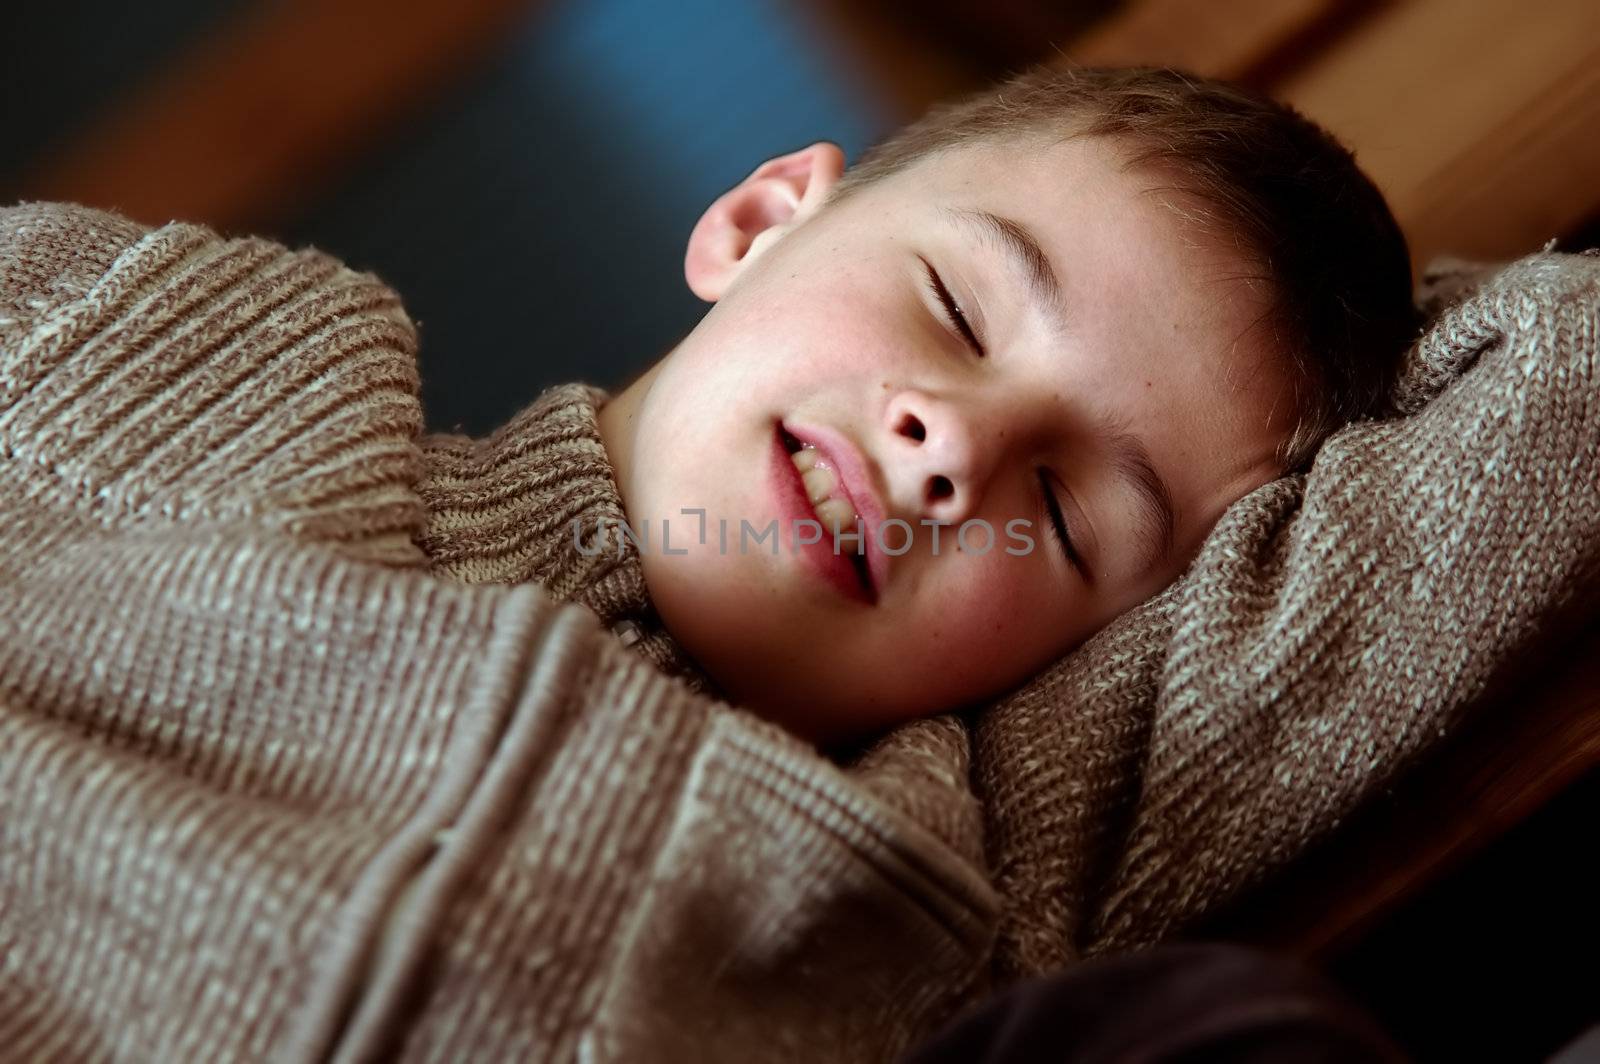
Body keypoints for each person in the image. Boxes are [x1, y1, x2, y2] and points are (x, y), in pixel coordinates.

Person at [0, 62, 1420, 1061]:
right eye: (955, 307)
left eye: (1058, 516)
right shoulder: (225, 363)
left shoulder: (946, 860)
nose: (952, 449)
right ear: (752, 223)